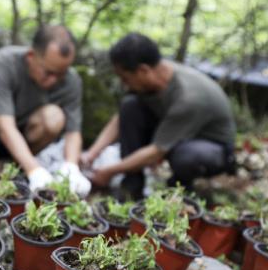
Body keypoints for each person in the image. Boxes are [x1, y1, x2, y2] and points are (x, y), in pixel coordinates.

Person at [82, 33, 236, 199]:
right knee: (130, 106)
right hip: (173, 133)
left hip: (212, 149)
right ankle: (132, 187)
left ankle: (181, 191)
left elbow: (156, 151)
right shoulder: (153, 76)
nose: (123, 84)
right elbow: (120, 119)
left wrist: (110, 171)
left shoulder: (188, 97)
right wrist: (91, 154)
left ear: (143, 70)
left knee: (185, 156)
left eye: (125, 78)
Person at [0, 25, 91, 196]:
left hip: (21, 144)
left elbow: (73, 132)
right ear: (31, 56)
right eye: (49, 73)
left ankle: (14, 168)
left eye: (62, 74)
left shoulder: (71, 81)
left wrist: (72, 167)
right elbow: (5, 128)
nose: (55, 80)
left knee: (55, 117)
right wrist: (35, 170)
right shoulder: (5, 61)